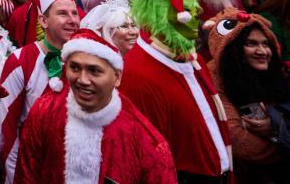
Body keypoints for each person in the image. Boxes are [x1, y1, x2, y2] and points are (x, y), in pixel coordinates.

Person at [14, 29, 177, 183]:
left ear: (117, 77)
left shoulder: (145, 140)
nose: (82, 80)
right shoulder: (44, 111)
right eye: (75, 67)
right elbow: (26, 176)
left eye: (94, 71)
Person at [120, 0, 233, 182]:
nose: (196, 17)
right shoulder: (137, 74)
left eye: (195, 10)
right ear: (160, 16)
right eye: (186, 11)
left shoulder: (191, 58)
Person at [206, 8, 290, 182]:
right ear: (231, 47)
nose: (262, 51)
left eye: (265, 44)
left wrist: (280, 130)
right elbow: (237, 140)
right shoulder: (214, 78)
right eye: (251, 43)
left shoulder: (279, 73)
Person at [0, 0, 81, 181]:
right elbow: (6, 126)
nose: (72, 20)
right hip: (32, 169)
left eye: (74, 13)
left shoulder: (86, 59)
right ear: (43, 21)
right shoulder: (20, 61)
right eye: (62, 13)